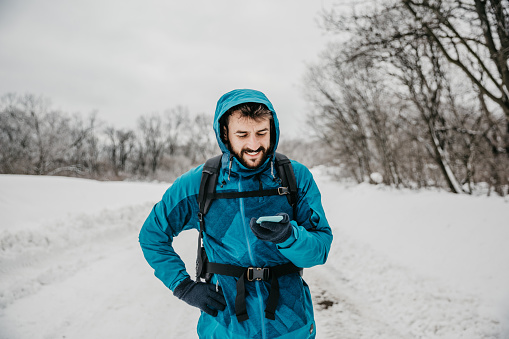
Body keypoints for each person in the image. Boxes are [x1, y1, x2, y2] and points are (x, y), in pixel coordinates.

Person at [139, 89, 333, 338]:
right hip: (227, 326)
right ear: (224, 134)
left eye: (262, 133)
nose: (254, 145)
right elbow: (152, 235)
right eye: (242, 134)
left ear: (272, 130)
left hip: (290, 323)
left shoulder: (295, 177)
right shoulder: (200, 183)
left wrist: (290, 237)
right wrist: (183, 286)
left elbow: (320, 251)